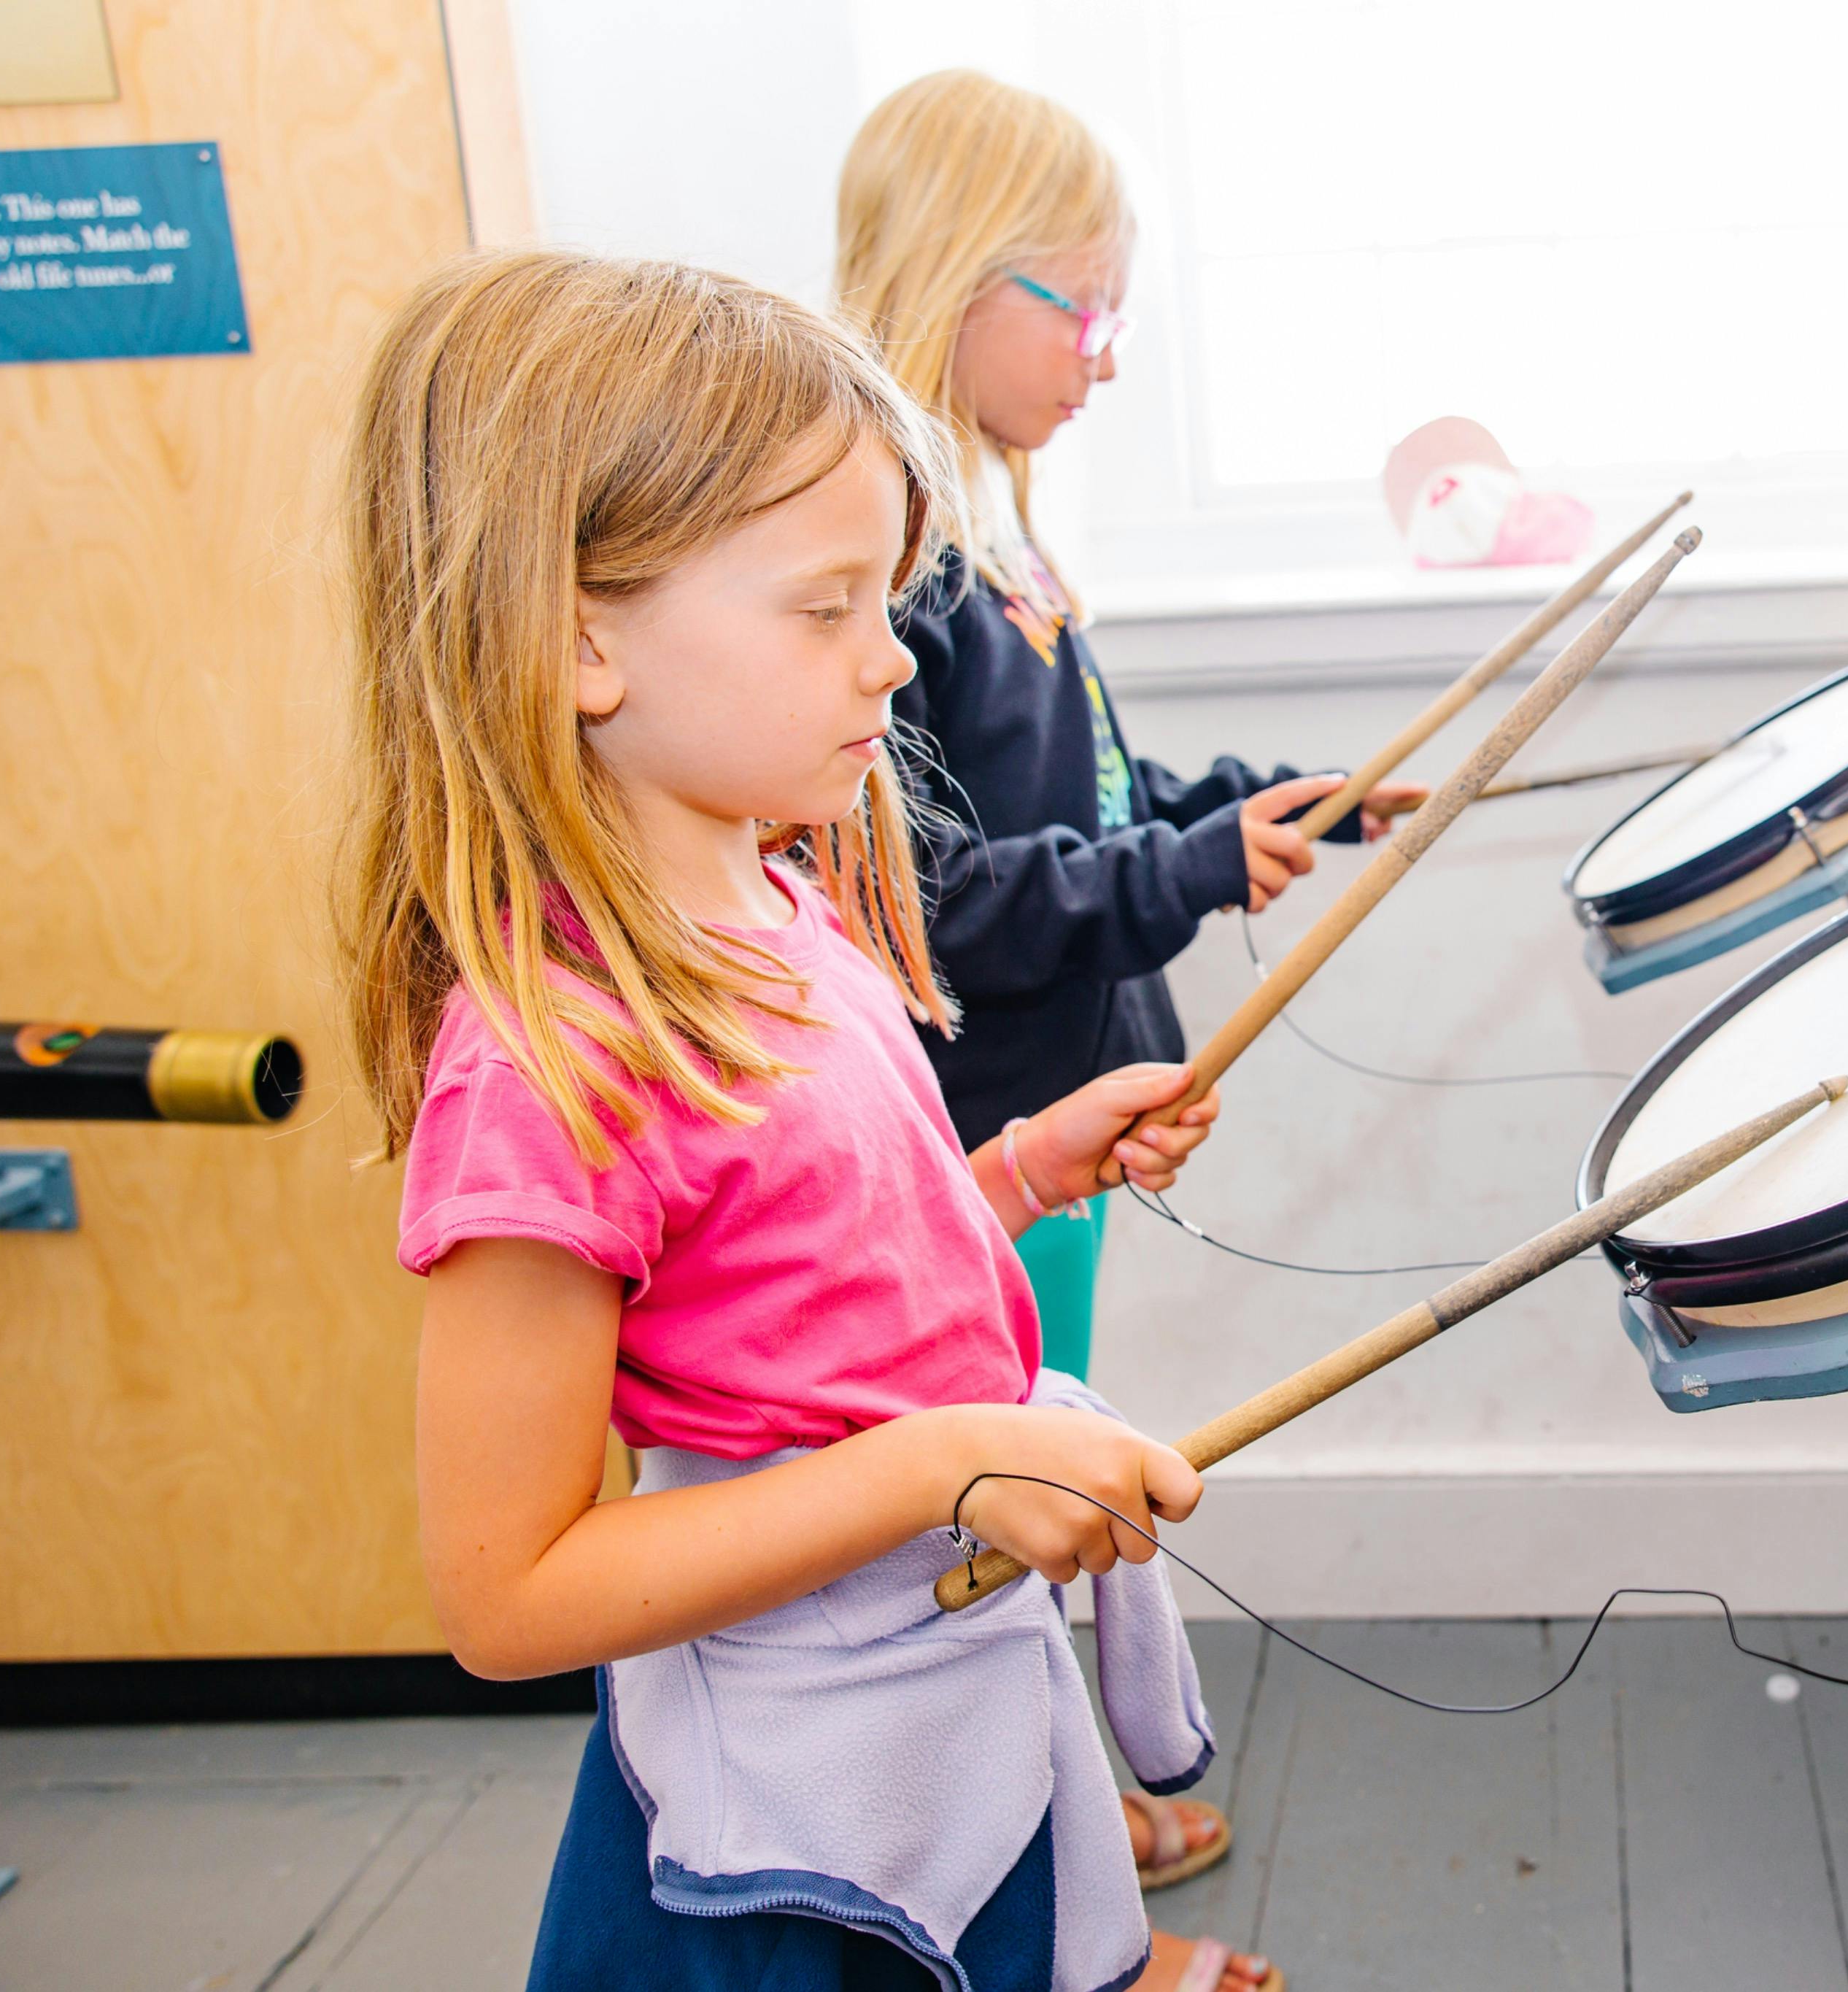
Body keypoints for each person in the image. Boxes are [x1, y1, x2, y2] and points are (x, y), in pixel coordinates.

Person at [334, 247, 1277, 1992]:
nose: (891, 667)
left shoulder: (786, 907)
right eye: (825, 607)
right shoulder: (549, 1060)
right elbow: (504, 1591)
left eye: (890, 603)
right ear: (575, 638)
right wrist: (934, 1464)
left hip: (944, 1710)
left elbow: (795, 1307)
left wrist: (1010, 1173)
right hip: (782, 1823)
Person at [835, 69, 1429, 1386]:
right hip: (984, 1139)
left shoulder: (998, 547)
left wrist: (1257, 802)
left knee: (1046, 1420)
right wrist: (1191, 868)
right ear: (955, 272)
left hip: (1062, 1112)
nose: (1105, 353)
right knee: (997, 1462)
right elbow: (924, 901)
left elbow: (1082, 797)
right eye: (1085, 309)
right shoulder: (895, 570)